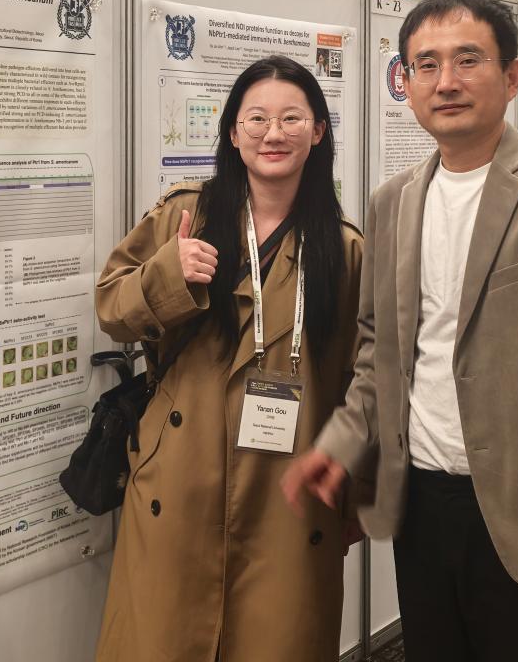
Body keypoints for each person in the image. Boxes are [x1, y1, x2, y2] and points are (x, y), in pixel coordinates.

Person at [282, 0, 518, 662]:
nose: (446, 82)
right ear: (405, 83)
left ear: (511, 76)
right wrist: (339, 443)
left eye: (468, 60)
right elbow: (379, 353)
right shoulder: (393, 202)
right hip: (422, 504)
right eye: (426, 65)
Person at [94, 55, 364, 661]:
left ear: (319, 131)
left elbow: (362, 383)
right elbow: (111, 308)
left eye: (292, 118)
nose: (274, 133)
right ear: (233, 132)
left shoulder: (342, 248)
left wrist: (356, 491)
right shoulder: (185, 215)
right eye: (257, 118)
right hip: (178, 479)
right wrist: (169, 274)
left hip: (287, 491)